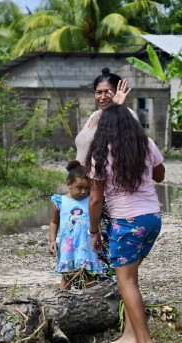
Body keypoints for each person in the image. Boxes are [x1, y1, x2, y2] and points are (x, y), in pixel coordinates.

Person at [87, 104, 164, 343]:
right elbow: (160, 175)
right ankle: (131, 337)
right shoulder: (147, 144)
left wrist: (94, 230)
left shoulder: (100, 154)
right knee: (130, 279)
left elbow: (96, 199)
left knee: (126, 282)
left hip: (126, 223)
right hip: (152, 219)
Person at [74, 68, 134, 274]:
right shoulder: (93, 116)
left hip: (109, 192)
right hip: (85, 190)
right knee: (86, 241)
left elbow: (126, 149)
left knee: (109, 243)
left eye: (108, 91)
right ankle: (92, 289)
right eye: (99, 92)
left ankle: (114, 291)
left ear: (119, 92)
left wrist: (118, 108)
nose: (103, 96)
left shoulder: (127, 116)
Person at [49, 161, 104, 290]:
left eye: (87, 188)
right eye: (79, 187)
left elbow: (95, 220)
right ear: (69, 184)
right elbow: (54, 222)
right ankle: (63, 301)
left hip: (87, 245)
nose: (83, 191)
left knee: (89, 275)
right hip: (68, 246)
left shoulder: (91, 201)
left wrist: (99, 235)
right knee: (67, 276)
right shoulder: (60, 201)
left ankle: (93, 303)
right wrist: (52, 240)